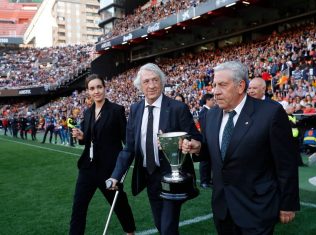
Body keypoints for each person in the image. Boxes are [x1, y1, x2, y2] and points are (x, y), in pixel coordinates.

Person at [183, 61, 300, 235]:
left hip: (257, 208)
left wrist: (287, 204)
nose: (215, 91)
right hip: (222, 208)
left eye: (222, 85)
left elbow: (286, 163)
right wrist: (199, 147)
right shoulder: (210, 115)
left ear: (240, 86)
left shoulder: (271, 113)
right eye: (214, 85)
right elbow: (219, 154)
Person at [107, 63, 201, 235]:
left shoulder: (177, 108)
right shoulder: (135, 109)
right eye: (146, 81)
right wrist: (115, 176)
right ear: (139, 86)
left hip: (173, 177)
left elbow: (196, 139)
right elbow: (129, 148)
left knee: (167, 227)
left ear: (162, 82)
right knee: (160, 224)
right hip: (149, 177)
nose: (151, 85)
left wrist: (189, 144)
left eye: (155, 80)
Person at [69, 74, 135, 235]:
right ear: (88, 92)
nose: (96, 91)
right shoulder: (88, 112)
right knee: (78, 206)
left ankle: (130, 231)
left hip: (109, 170)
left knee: (119, 203)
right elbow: (88, 138)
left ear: (104, 88)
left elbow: (126, 140)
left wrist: (122, 168)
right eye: (92, 88)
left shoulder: (116, 110)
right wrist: (81, 136)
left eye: (99, 87)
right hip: (87, 168)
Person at [198, 93, 215, 188]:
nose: (214, 101)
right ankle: (204, 181)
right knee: (205, 162)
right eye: (212, 100)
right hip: (206, 141)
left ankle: (208, 180)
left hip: (209, 140)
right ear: (207, 100)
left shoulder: (208, 111)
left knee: (209, 162)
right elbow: (205, 129)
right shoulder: (204, 112)